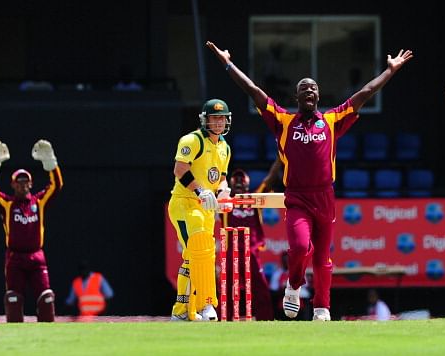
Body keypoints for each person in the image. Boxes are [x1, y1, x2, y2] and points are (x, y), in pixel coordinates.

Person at [207, 40, 413, 321]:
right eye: (304, 89)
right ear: (296, 97)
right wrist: (227, 63)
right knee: (301, 247)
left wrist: (390, 71)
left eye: (313, 88)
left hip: (325, 196)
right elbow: (253, 91)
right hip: (297, 198)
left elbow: (365, 93)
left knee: (323, 259)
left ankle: (322, 308)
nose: (309, 91)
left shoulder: (331, 120)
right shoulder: (282, 120)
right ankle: (293, 285)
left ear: (318, 96)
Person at [168, 98, 233, 321]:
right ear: (205, 120)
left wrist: (223, 190)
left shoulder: (224, 147)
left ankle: (182, 311)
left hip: (206, 209)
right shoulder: (192, 140)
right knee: (201, 252)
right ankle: (207, 305)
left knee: (194, 257)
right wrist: (200, 191)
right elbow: (180, 168)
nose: (218, 123)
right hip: (185, 203)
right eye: (214, 118)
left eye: (222, 118)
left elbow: (221, 177)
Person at [0, 139, 63, 322]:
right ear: (12, 185)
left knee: (46, 299)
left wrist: (51, 163)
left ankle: (49, 343)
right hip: (15, 258)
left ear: (31, 184)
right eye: (18, 182)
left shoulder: (39, 202)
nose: (22, 185)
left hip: (37, 257)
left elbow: (56, 186)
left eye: (26, 181)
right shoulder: (7, 205)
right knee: (13, 300)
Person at [220, 168, 277, 321]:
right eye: (236, 181)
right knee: (227, 290)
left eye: (242, 181)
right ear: (231, 185)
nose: (239, 184)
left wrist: (280, 160)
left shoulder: (255, 199)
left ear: (247, 185)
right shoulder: (225, 200)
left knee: (261, 289)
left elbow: (269, 180)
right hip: (232, 254)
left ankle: (266, 321)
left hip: (252, 253)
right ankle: (223, 320)